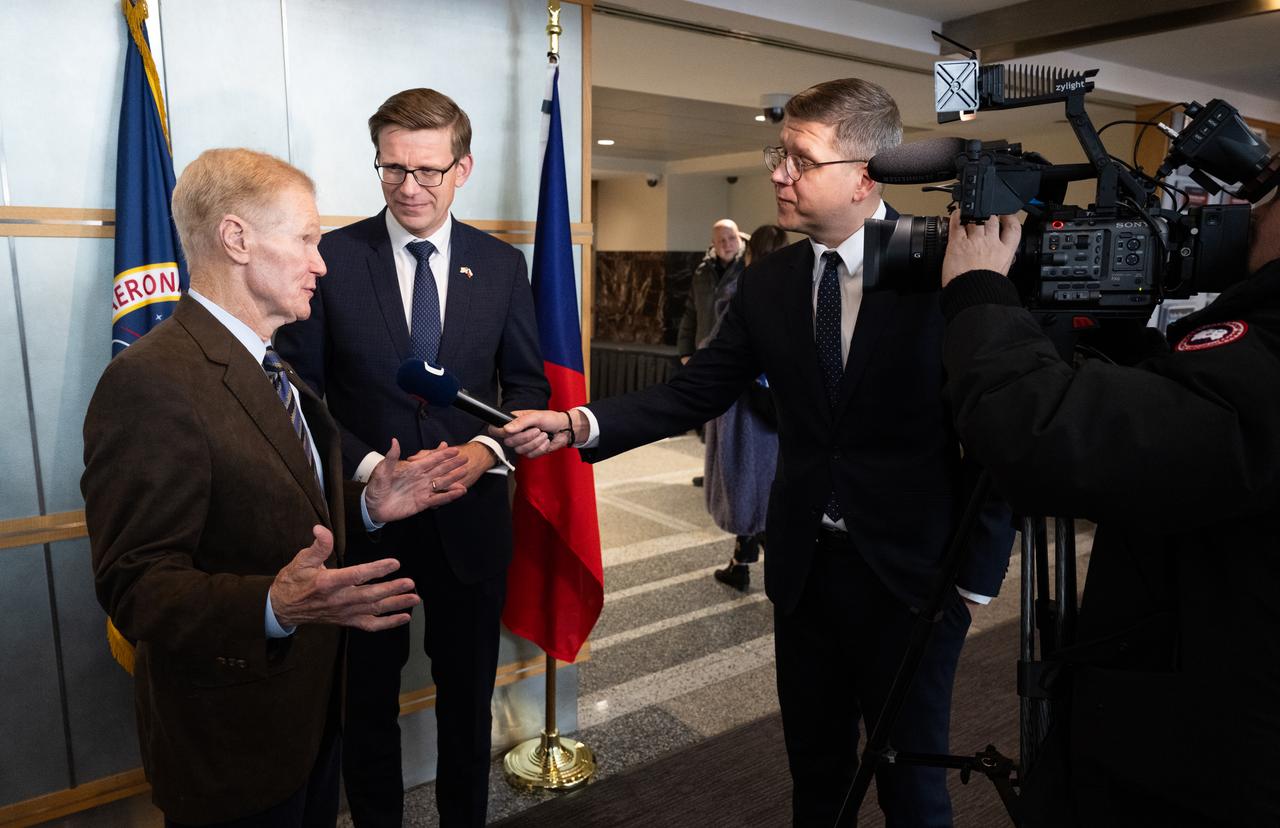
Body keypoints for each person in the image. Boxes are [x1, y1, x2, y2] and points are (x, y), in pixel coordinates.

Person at [500, 78, 1014, 826]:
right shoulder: (772, 281)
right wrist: (577, 424)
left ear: (867, 175)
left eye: (800, 159)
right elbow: (695, 391)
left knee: (914, 784)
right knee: (816, 773)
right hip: (804, 571)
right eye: (781, 153)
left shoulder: (951, 270)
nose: (778, 173)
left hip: (913, 581)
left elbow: (997, 426)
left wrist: (978, 578)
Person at [82, 147, 469, 827]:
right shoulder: (152, 381)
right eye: (306, 240)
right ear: (237, 238)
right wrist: (272, 603)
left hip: (307, 720)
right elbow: (134, 584)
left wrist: (368, 507)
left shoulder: (271, 366)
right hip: (232, 747)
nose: (322, 262)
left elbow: (281, 510)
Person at [938, 201, 1280, 824]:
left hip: (1207, 753)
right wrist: (1121, 336)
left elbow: (1040, 433)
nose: (1246, 218)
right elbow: (1180, 427)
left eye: (1266, 203)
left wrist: (977, 292)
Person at [273, 88, 549, 827]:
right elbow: (300, 390)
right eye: (392, 168)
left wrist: (485, 449)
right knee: (365, 706)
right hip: (368, 524)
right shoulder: (331, 257)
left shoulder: (500, 264)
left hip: (472, 522)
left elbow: (524, 384)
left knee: (467, 704)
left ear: (463, 169)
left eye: (428, 170)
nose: (410, 187)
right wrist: (369, 470)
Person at [707, 224, 789, 590]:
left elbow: (722, 345)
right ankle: (753, 559)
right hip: (783, 400)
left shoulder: (742, 290)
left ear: (750, 251)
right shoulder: (799, 287)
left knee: (747, 483)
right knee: (772, 481)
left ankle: (746, 562)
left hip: (742, 403)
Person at [678, 218, 748, 363]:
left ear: (740, 238)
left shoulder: (749, 268)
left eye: (732, 238)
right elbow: (690, 314)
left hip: (736, 357)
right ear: (713, 243)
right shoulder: (702, 272)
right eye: (721, 240)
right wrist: (685, 353)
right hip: (704, 354)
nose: (727, 244)